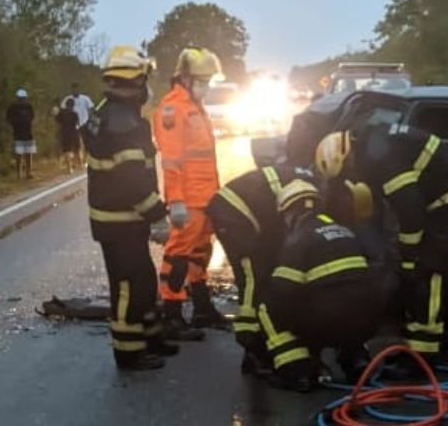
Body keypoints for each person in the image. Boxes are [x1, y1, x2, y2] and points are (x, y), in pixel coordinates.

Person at [313, 124, 448, 369]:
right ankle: (433, 336)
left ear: (346, 156)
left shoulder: (380, 158)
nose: (351, 177)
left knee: (428, 269)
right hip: (443, 198)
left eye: (347, 171)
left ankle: (424, 354)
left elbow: (410, 211)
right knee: (424, 268)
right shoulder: (373, 142)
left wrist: (409, 254)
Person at [85, 45, 175, 371]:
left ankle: (151, 338)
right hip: (119, 220)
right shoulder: (123, 123)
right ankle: (129, 352)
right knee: (127, 286)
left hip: (122, 218)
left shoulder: (108, 112)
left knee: (144, 281)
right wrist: (158, 215)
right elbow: (132, 181)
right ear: (137, 82)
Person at [263, 179, 383, 392]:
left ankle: (297, 371)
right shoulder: (345, 230)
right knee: (348, 303)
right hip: (369, 322)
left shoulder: (298, 239)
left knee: (267, 305)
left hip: (328, 323)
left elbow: (283, 291)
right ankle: (356, 360)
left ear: (289, 211)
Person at [204, 164, 319, 377]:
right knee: (252, 274)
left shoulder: (311, 184)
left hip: (255, 213)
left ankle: (261, 339)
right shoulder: (316, 194)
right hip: (232, 211)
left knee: (267, 270)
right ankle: (252, 343)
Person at [153, 46, 226, 338]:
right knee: (178, 254)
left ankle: (202, 308)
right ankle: (171, 314)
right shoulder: (173, 108)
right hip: (189, 198)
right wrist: (177, 201)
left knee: (200, 252)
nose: (206, 86)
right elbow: (172, 161)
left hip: (206, 195)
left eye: (208, 81)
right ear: (185, 78)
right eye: (202, 81)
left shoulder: (195, 106)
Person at [6, 89, 36, 179]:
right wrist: (14, 123)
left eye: (23, 98)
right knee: (19, 154)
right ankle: (19, 173)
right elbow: (8, 118)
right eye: (20, 98)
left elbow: (32, 116)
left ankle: (28, 172)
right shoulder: (13, 107)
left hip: (28, 132)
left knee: (28, 153)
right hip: (18, 133)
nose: (22, 100)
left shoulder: (29, 106)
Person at [62, 82, 95, 164]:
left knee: (86, 142)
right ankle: (75, 161)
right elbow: (62, 110)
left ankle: (86, 159)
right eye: (73, 89)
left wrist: (90, 120)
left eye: (76, 89)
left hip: (84, 123)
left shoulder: (85, 98)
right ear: (71, 90)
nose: (75, 91)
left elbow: (91, 109)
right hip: (72, 125)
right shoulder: (67, 99)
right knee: (74, 144)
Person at [55, 98, 81, 173]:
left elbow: (57, 121)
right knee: (76, 149)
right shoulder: (74, 114)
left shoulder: (62, 113)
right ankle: (78, 164)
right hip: (73, 133)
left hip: (64, 133)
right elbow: (77, 124)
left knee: (67, 150)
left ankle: (69, 168)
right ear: (73, 105)